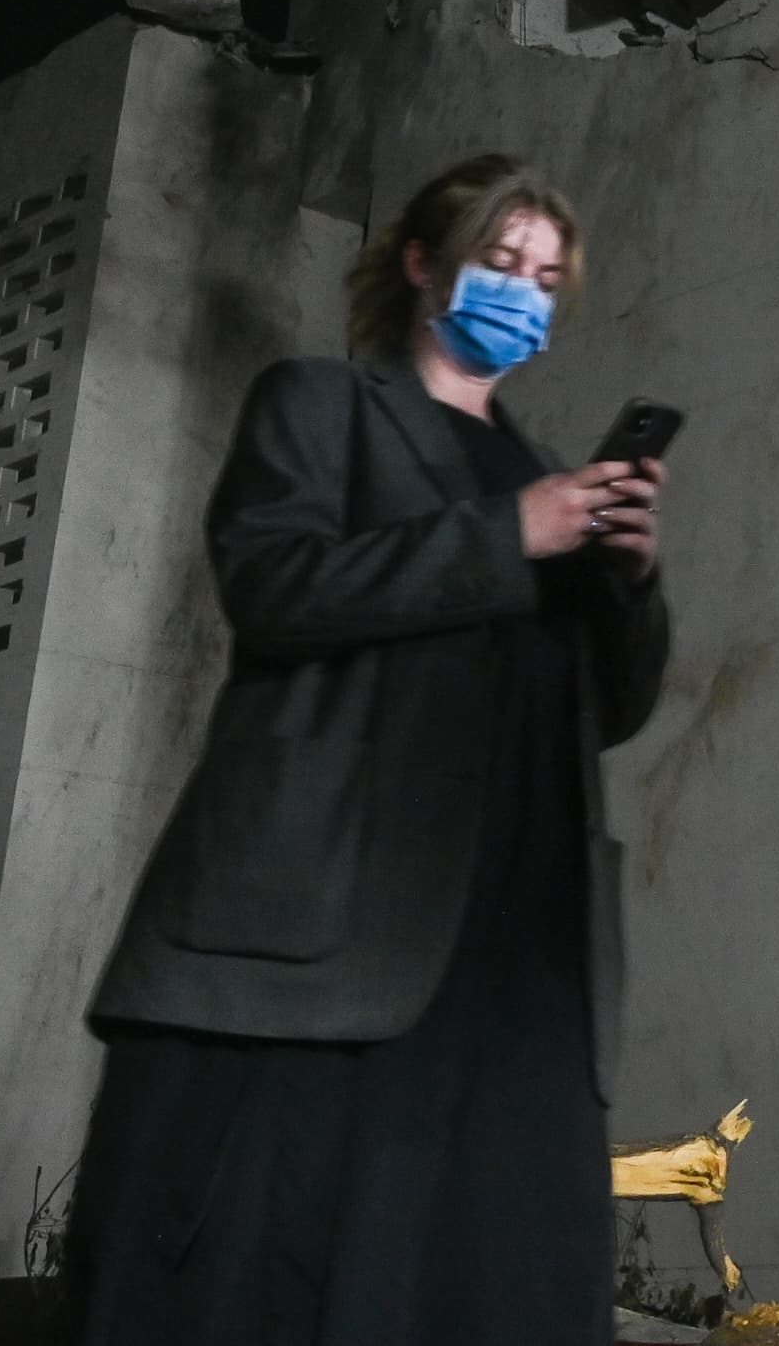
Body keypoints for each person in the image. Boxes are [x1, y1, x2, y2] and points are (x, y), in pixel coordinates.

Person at [71, 151, 673, 1346]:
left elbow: (603, 710)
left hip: (516, 956)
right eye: (502, 261)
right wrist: (509, 534)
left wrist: (627, 580)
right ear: (420, 262)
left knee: (493, 1282)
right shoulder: (320, 404)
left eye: (546, 279)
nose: (525, 291)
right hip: (328, 919)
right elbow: (273, 585)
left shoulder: (552, 477)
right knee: (277, 1276)